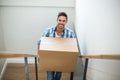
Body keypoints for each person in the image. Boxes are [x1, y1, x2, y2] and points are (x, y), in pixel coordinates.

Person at [37, 12, 75, 80]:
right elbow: (40, 42)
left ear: (66, 22)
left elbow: (73, 46)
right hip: (48, 58)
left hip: (61, 60)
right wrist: (39, 55)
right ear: (57, 20)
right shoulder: (49, 31)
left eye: (64, 21)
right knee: (50, 78)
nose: (61, 22)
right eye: (60, 20)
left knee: (58, 76)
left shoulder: (70, 33)